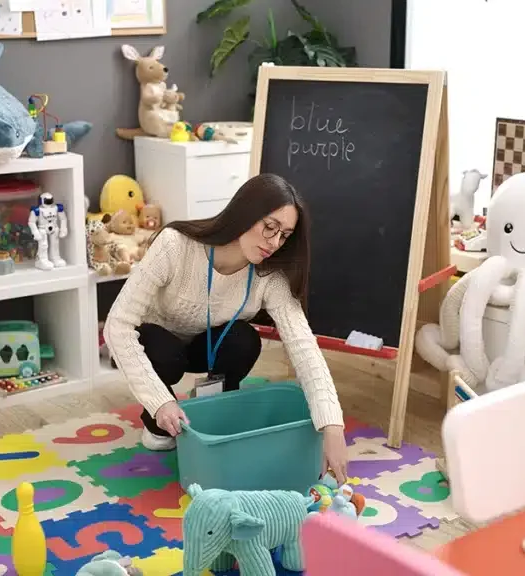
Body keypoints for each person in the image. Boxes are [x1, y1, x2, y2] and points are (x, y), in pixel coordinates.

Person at [103, 173, 349, 481]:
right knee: (162, 352)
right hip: (159, 345)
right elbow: (118, 325)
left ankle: (217, 408)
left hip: (207, 346)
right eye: (269, 227)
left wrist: (332, 426)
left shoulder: (270, 275)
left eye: (284, 235)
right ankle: (156, 421)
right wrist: (160, 401)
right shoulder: (175, 246)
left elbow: (303, 345)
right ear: (244, 213)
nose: (274, 243)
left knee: (244, 340)